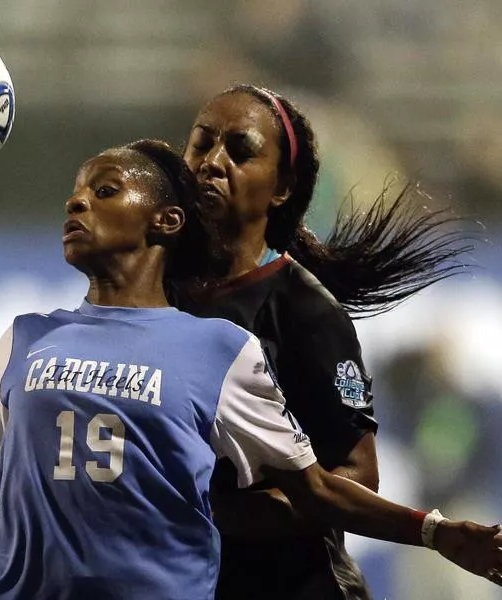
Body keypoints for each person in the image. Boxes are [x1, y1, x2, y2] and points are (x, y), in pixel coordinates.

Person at [0, 140, 499, 600]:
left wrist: (433, 532)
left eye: (105, 190)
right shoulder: (27, 338)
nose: (76, 205)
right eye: (75, 194)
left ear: (165, 219)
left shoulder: (218, 353)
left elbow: (315, 490)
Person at [178, 83, 475, 600]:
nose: (212, 161)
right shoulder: (158, 293)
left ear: (282, 187)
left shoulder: (305, 309)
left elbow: (359, 476)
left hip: (299, 586)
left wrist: (218, 512)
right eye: (202, 143)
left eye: (241, 151)